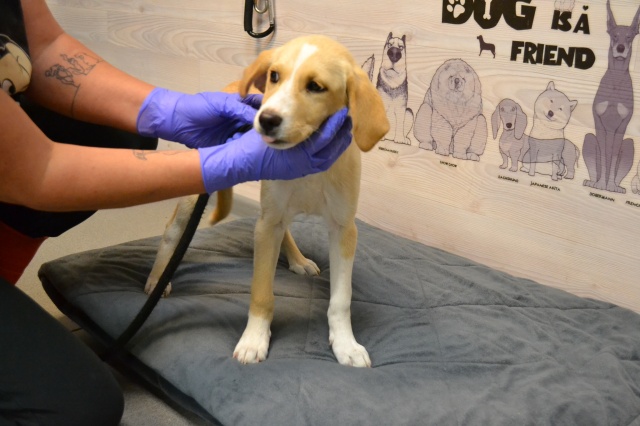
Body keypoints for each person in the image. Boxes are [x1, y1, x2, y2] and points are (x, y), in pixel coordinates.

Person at [0, 1, 352, 424]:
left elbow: (43, 46)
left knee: (125, 131)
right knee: (78, 407)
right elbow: (28, 173)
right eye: (274, 78)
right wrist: (215, 166)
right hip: (18, 173)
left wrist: (165, 108)